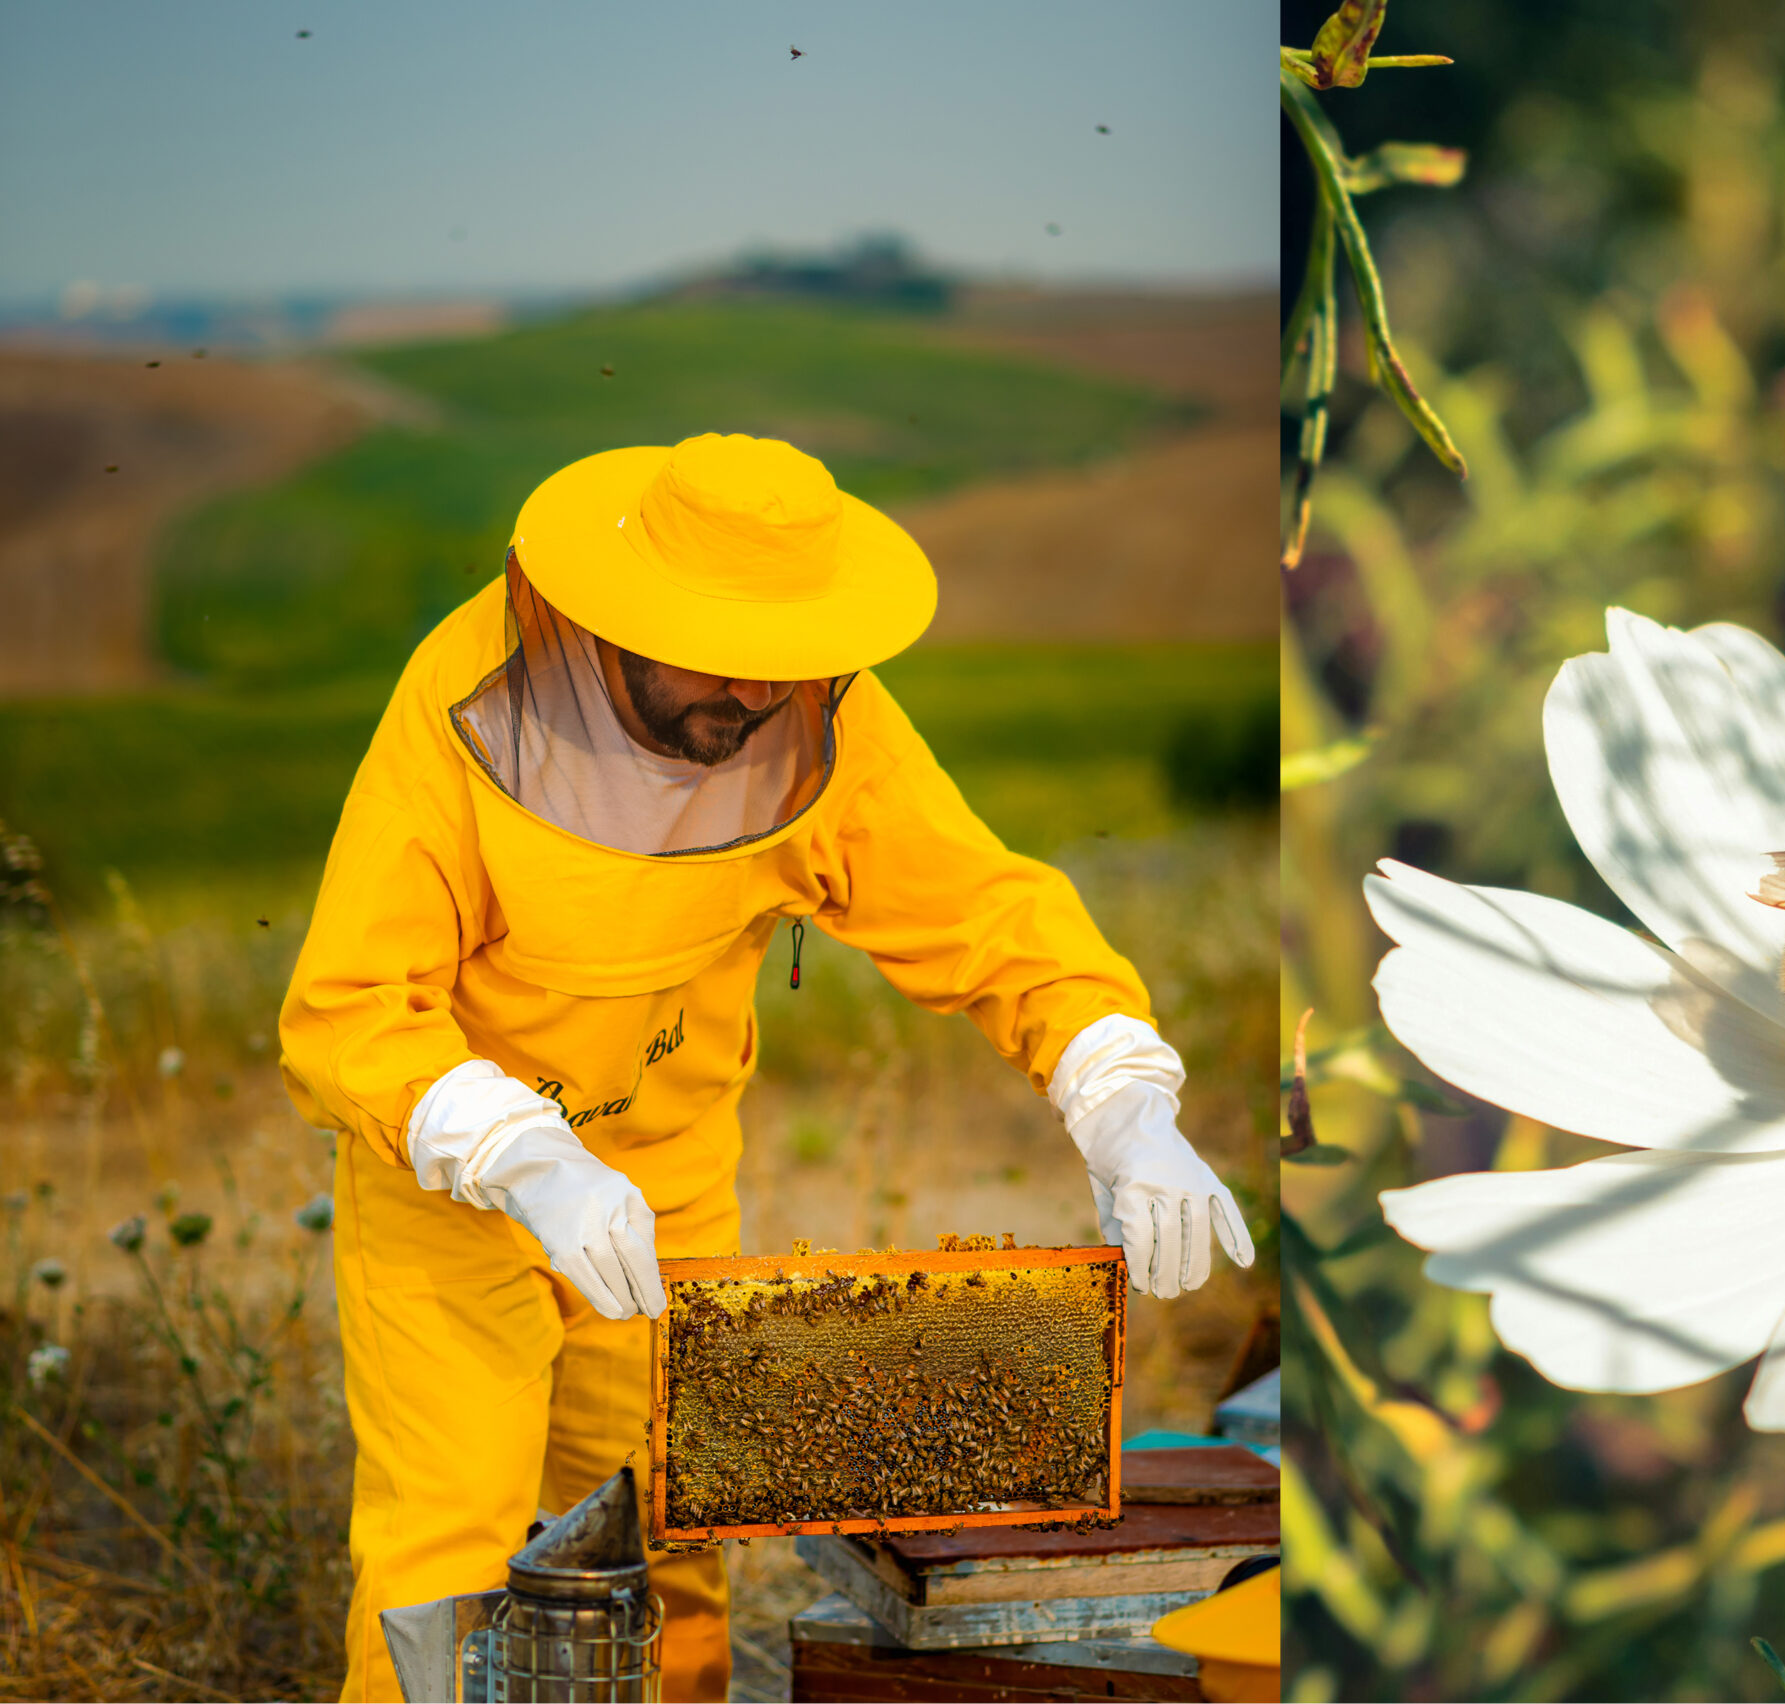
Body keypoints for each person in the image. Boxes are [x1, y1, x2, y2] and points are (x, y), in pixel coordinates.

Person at [277, 433, 1253, 1702]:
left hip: (667, 1172)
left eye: (780, 660)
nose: (750, 694)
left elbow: (985, 912)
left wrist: (1117, 1092)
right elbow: (349, 1005)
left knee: (663, 1520)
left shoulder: (818, 712)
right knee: (451, 1538)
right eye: (716, 652)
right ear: (620, 616)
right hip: (448, 1185)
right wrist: (523, 1158)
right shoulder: (465, 707)